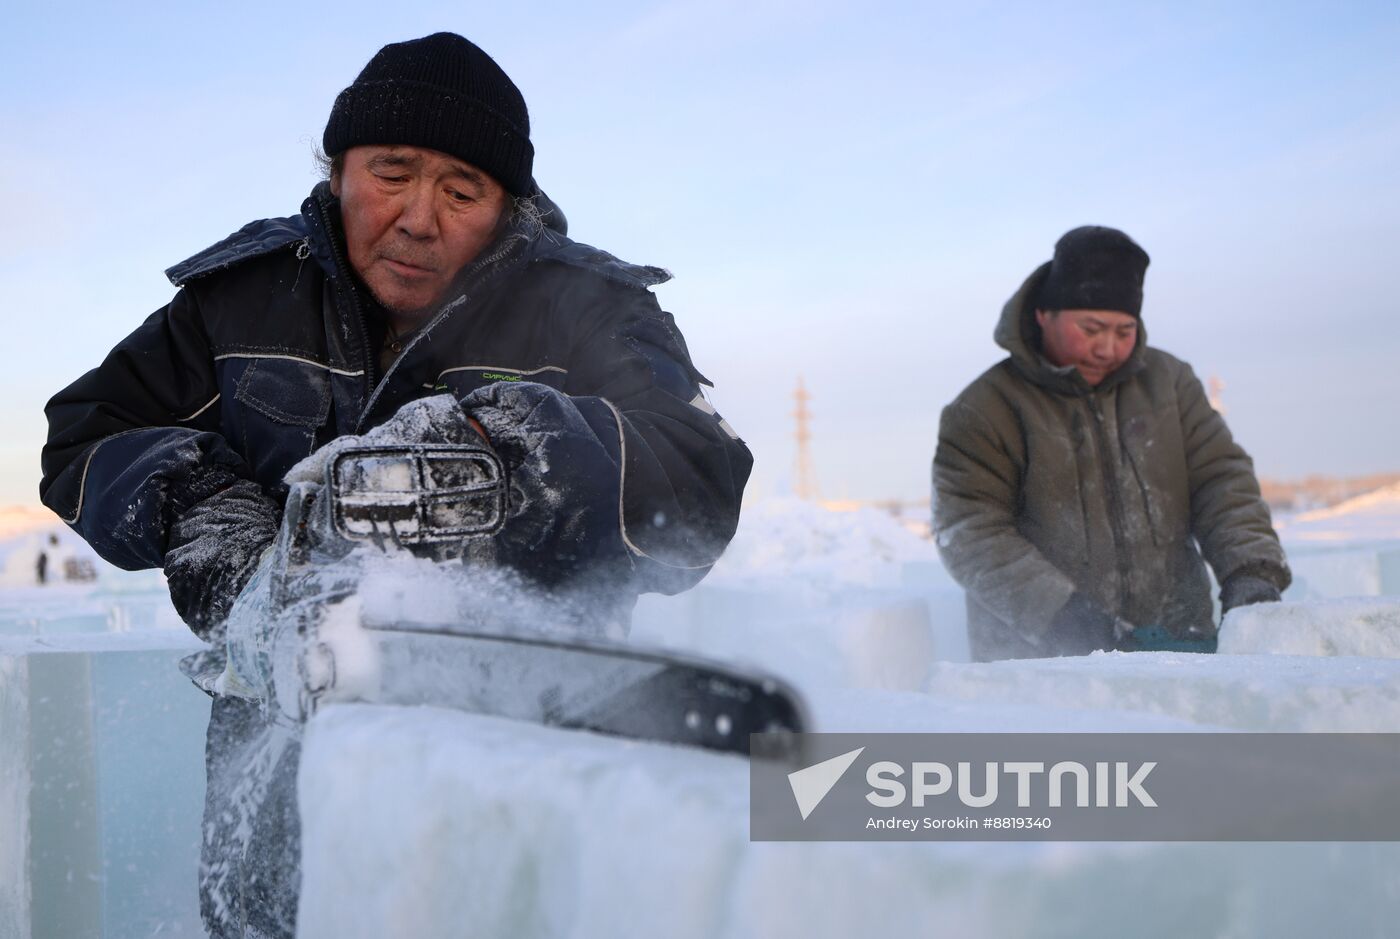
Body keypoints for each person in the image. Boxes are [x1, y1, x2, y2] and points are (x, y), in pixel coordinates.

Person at [40, 32, 750, 937]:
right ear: (338, 169)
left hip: (520, 742)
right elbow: (88, 433)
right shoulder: (238, 299)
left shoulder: (589, 306)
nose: (419, 217)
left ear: (506, 208)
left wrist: (519, 452)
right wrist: (224, 537)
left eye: (463, 191)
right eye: (392, 171)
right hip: (271, 743)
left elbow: (701, 476)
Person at [932, 225, 1289, 662]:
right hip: (1039, 660)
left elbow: (1221, 480)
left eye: (1124, 331)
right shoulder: (985, 408)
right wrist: (1063, 616)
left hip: (1179, 643)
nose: (1107, 348)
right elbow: (970, 531)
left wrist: (1250, 570)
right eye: (1092, 328)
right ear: (1044, 314)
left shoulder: (1171, 385)